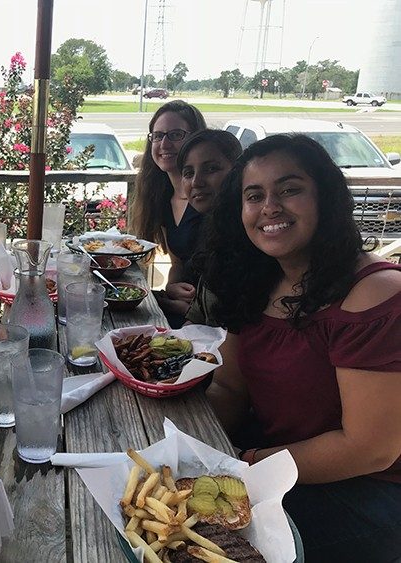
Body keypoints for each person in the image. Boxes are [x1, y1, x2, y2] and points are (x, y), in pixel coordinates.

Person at [202, 134, 401, 562]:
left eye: (289, 189)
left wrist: (247, 464)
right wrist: (186, 438)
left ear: (325, 199)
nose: (270, 207)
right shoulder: (258, 280)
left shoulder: (375, 294)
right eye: (254, 196)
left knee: (197, 536)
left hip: (370, 492)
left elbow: (369, 448)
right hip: (277, 467)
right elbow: (231, 389)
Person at [129, 100, 206, 327]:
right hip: (181, 311)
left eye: (175, 135)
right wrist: (170, 289)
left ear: (196, 139)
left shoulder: (209, 198)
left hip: (209, 320)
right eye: (158, 135)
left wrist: (178, 305)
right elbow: (178, 264)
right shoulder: (163, 199)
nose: (164, 143)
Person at [173, 129, 242, 326]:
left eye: (211, 169)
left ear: (238, 171)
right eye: (188, 173)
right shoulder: (213, 227)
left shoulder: (251, 236)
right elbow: (199, 315)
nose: (197, 182)